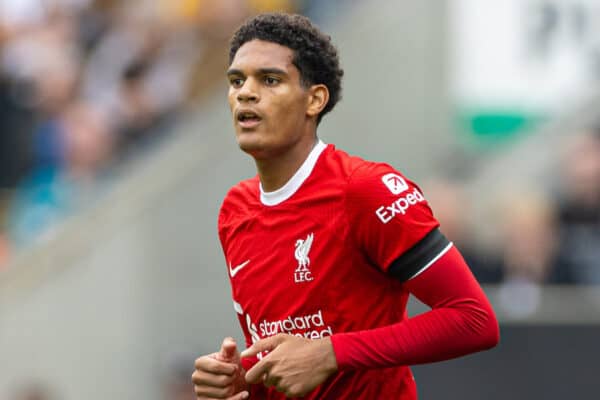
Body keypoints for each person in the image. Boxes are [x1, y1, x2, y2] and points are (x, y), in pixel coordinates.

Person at [192, 13, 499, 399]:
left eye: (270, 80)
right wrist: (243, 380)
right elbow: (289, 355)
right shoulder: (235, 209)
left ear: (315, 99)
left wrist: (332, 353)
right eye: (237, 81)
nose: (246, 93)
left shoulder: (365, 191)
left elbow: (473, 319)